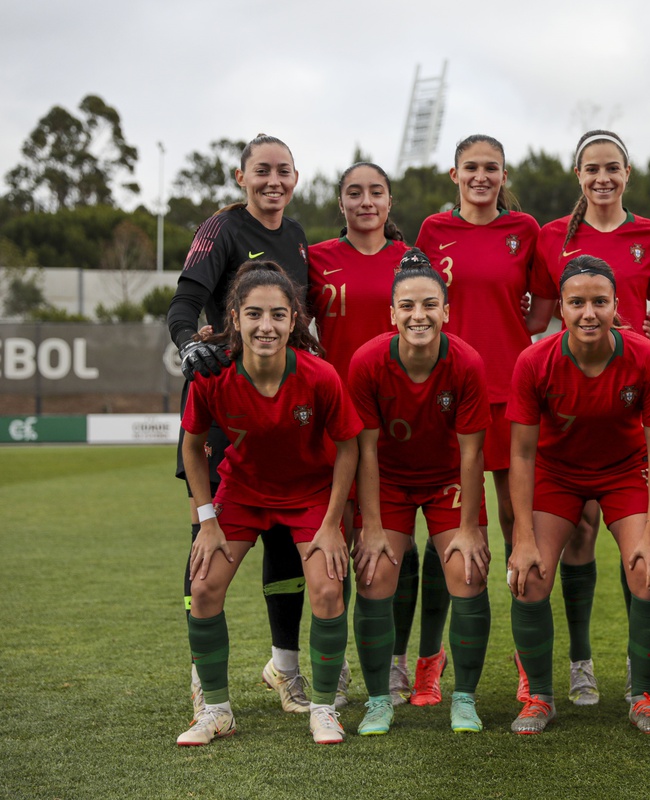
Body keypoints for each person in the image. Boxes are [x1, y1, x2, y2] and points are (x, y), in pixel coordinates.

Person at [166, 134, 325, 719]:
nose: (272, 182)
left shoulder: (298, 235)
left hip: (282, 414)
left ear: (296, 177)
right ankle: (202, 680)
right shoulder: (222, 229)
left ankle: (284, 668)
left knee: (285, 539)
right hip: (223, 411)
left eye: (283, 171)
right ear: (240, 177)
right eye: (262, 172)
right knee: (205, 543)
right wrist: (190, 348)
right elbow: (184, 305)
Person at [176, 261, 362, 746]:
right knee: (204, 587)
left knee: (327, 590)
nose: (266, 326)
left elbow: (349, 446)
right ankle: (216, 710)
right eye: (254, 314)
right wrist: (207, 520)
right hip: (241, 492)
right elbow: (192, 447)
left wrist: (332, 524)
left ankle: (323, 709)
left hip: (308, 495)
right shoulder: (212, 377)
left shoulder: (320, 376)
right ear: (234, 318)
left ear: (294, 319)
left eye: (278, 315)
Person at [525, 129, 650, 706]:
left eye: (612, 167)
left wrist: (628, 341)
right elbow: (539, 314)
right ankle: (579, 661)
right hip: (567, 411)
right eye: (592, 168)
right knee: (576, 535)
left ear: (628, 172)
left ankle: (641, 686)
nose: (602, 178)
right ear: (578, 175)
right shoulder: (550, 238)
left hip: (627, 405)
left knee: (633, 542)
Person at [507, 256, 650, 735]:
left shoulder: (645, 356)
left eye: (599, 302)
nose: (588, 313)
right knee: (530, 574)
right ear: (560, 307)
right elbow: (521, 454)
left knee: (649, 573)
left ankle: (642, 693)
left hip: (625, 471)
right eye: (576, 302)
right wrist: (522, 535)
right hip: (556, 474)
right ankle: (539, 696)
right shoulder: (534, 362)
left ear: (616, 305)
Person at [414, 134, 541, 705]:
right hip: (449, 394)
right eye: (472, 167)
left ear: (503, 174)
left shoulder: (526, 230)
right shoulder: (432, 233)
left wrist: (519, 333)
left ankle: (526, 664)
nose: (481, 176)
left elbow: (542, 304)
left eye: (491, 167)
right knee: (447, 529)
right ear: (454, 174)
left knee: (519, 525)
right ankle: (428, 665)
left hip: (511, 393)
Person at [347, 249, 493, 734]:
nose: (418, 315)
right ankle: (377, 701)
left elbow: (473, 455)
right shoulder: (367, 362)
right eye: (407, 306)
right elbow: (365, 452)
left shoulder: (467, 363)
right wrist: (369, 527)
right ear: (392, 314)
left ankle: (465, 699)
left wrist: (470, 528)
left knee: (468, 573)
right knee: (372, 576)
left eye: (429, 305)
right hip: (387, 479)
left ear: (445, 312)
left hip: (447, 479)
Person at [307, 162, 429, 708]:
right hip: (337, 425)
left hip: (400, 422)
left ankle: (397, 663)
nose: (365, 202)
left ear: (389, 200)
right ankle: (333, 666)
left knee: (395, 548)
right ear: (340, 203)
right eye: (354, 193)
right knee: (341, 544)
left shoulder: (413, 263)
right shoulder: (317, 260)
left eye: (375, 192)